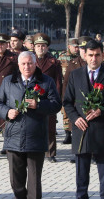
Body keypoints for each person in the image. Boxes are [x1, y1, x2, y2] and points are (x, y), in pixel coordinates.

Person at [0, 51, 61, 199]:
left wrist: (39, 104)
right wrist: (7, 112)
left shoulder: (46, 81)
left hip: (36, 137)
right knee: (16, 182)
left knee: (34, 183)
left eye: (30, 63)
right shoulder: (9, 81)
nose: (27, 66)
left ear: (35, 64)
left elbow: (56, 105)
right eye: (23, 63)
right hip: (13, 137)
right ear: (18, 65)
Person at [63, 40, 104, 199]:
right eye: (90, 55)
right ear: (84, 55)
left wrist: (101, 110)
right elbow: (68, 102)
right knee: (81, 174)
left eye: (97, 55)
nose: (94, 58)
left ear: (103, 55)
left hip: (102, 130)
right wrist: (75, 118)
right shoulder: (75, 75)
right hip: (81, 130)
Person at [33, 33, 63, 163]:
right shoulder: (29, 60)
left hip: (48, 98)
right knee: (33, 126)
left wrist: (56, 99)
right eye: (38, 46)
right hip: (32, 97)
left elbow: (58, 82)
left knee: (50, 127)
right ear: (34, 47)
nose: (41, 48)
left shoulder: (54, 62)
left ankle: (50, 153)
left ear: (47, 47)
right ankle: (35, 151)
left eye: (43, 46)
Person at [62, 36, 91, 163]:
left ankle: (92, 153)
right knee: (77, 129)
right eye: (82, 48)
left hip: (92, 105)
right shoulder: (72, 64)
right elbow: (66, 84)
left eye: (86, 48)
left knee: (91, 129)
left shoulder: (94, 63)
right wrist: (66, 100)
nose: (84, 51)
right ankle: (77, 153)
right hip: (76, 104)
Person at [58, 38, 79, 144]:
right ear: (69, 46)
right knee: (65, 112)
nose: (76, 49)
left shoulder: (80, 58)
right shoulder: (62, 57)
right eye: (74, 47)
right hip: (65, 87)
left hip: (75, 88)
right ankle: (67, 134)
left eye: (77, 47)